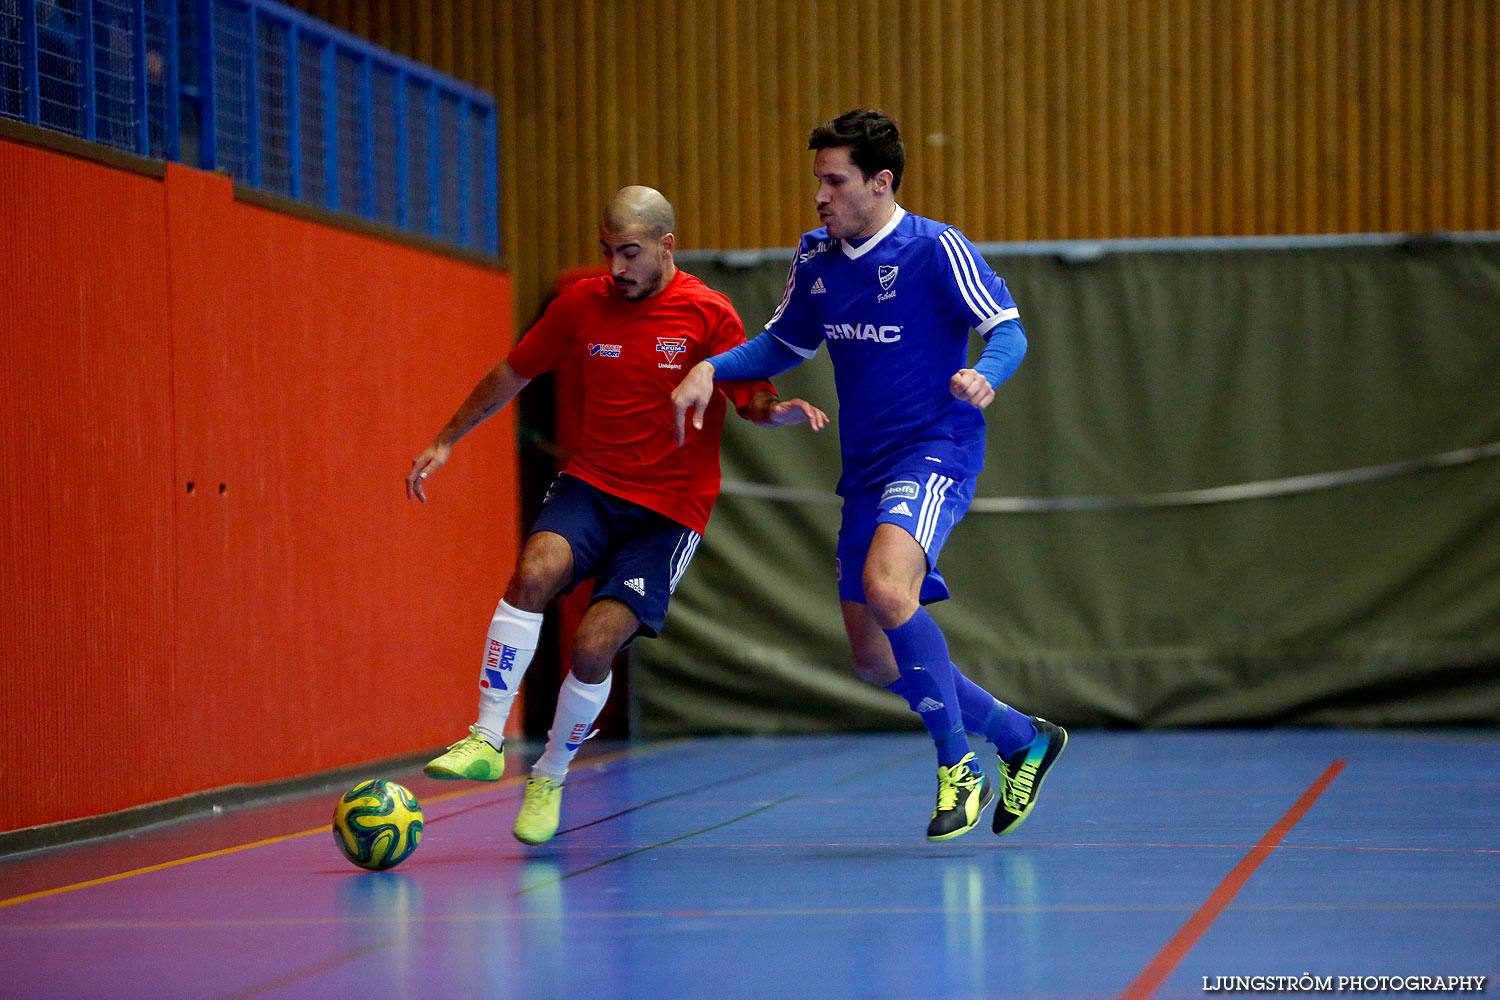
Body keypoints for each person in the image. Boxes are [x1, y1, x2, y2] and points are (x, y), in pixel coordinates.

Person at [670, 110, 1065, 842]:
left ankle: (959, 767)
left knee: (889, 589)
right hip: (867, 466)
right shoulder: (816, 259)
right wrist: (708, 369)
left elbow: (1007, 327)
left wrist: (987, 375)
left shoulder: (936, 248)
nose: (820, 196)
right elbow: (782, 343)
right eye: (817, 180)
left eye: (835, 181)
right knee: (873, 657)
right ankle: (1023, 738)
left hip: (935, 447)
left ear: (881, 184)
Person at [408, 185, 826, 846]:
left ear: (666, 245)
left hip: (668, 512)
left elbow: (751, 400)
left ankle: (549, 773)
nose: (617, 268)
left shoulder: (709, 315)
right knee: (533, 571)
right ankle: (486, 737)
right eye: (607, 252)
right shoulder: (582, 306)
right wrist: (445, 437)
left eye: (629, 252)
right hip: (593, 485)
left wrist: (780, 413)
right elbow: (513, 372)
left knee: (594, 643)